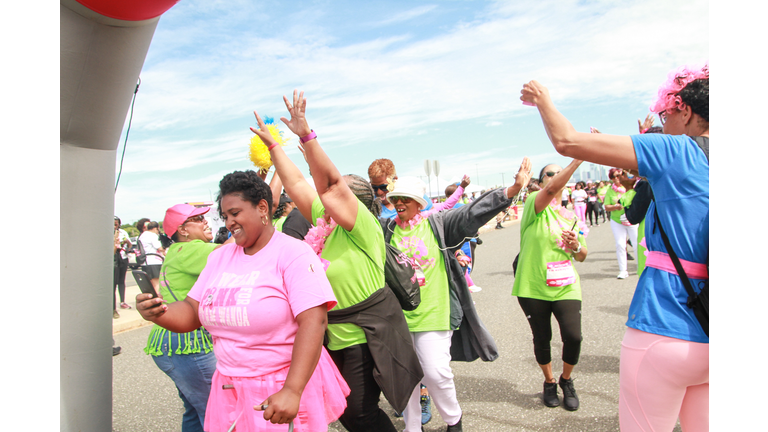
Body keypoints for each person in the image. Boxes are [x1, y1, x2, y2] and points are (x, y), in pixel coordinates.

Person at [520, 61, 709, 431]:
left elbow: (568, 141)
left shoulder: (680, 151)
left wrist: (542, 100)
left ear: (684, 110)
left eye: (664, 114)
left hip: (665, 325)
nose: (661, 125)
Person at [252, 90, 422, 432]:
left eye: (340, 192)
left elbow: (329, 186)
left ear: (354, 202)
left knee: (357, 412)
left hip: (365, 333)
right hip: (330, 333)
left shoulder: (364, 227)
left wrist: (307, 135)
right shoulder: (323, 221)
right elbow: (299, 182)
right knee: (343, 411)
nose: (324, 194)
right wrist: (274, 148)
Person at [137, 170, 350, 432]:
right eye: (225, 216)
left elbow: (314, 322)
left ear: (262, 208)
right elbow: (193, 311)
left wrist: (292, 390)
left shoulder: (293, 253)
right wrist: (158, 312)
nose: (228, 223)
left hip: (280, 390)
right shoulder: (220, 257)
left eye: (235, 213)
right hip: (228, 389)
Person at [382, 157, 532, 432]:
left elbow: (471, 214)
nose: (399, 203)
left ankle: (453, 420)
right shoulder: (387, 230)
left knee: (436, 373)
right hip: (398, 319)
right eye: (396, 198)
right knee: (406, 377)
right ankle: (412, 426)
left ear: (419, 202)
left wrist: (509, 192)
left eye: (405, 198)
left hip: (434, 314)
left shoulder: (437, 224)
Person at [143, 203, 234, 432]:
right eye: (199, 219)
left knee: (195, 410)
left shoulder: (177, 251)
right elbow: (232, 249)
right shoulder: (191, 248)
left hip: (170, 342)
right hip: (187, 344)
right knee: (215, 412)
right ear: (183, 230)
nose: (206, 222)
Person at [512, 161, 589, 411]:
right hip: (533, 286)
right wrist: (577, 159)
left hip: (566, 285)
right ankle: (549, 381)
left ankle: (566, 380)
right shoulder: (536, 205)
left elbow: (582, 255)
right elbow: (550, 190)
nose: (556, 177)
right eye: (550, 174)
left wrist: (576, 245)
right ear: (542, 181)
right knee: (542, 337)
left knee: (573, 336)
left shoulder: (571, 216)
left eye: (559, 173)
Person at [604, 168, 638, 279]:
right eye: (613, 177)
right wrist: (615, 206)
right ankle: (623, 270)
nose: (616, 179)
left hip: (631, 218)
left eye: (618, 175)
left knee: (636, 243)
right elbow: (606, 206)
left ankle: (640, 266)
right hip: (617, 219)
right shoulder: (610, 190)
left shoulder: (630, 186)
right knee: (620, 244)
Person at [138, 220, 166, 292]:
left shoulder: (142, 235)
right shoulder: (152, 235)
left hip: (145, 262)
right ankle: (157, 301)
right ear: (155, 228)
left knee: (149, 284)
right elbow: (160, 248)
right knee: (156, 284)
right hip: (154, 261)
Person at [114, 216, 132, 319]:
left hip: (123, 258)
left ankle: (122, 301)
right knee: (113, 282)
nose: (115, 226)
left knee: (121, 281)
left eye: (116, 224)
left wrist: (126, 242)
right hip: (114, 259)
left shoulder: (123, 232)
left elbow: (130, 245)